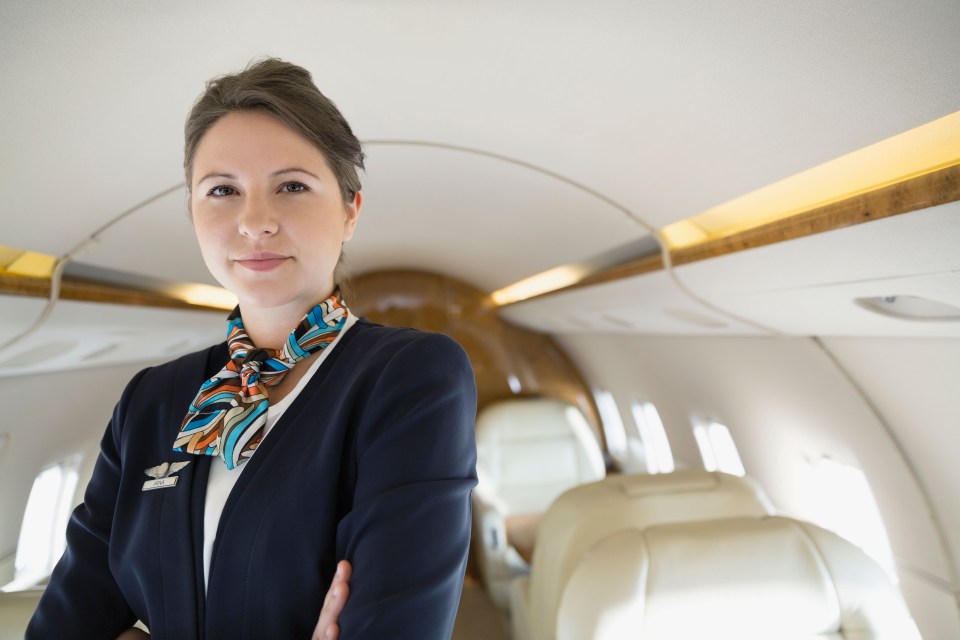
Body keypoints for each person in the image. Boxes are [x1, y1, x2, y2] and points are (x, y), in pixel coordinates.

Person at [26, 58, 478, 639]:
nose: (255, 221)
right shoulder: (151, 400)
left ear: (349, 211)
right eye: (222, 190)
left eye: (292, 186)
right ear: (192, 212)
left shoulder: (412, 376)